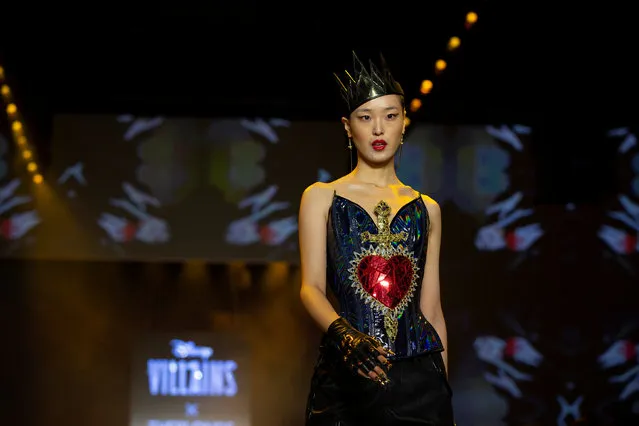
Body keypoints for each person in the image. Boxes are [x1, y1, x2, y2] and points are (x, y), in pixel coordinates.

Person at [298, 51, 455, 425]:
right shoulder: (321, 196)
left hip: (420, 382)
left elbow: (431, 311)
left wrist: (444, 390)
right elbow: (310, 289)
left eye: (390, 115)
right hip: (344, 375)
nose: (379, 129)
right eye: (365, 117)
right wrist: (347, 339)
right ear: (348, 127)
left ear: (404, 123)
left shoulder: (427, 208)